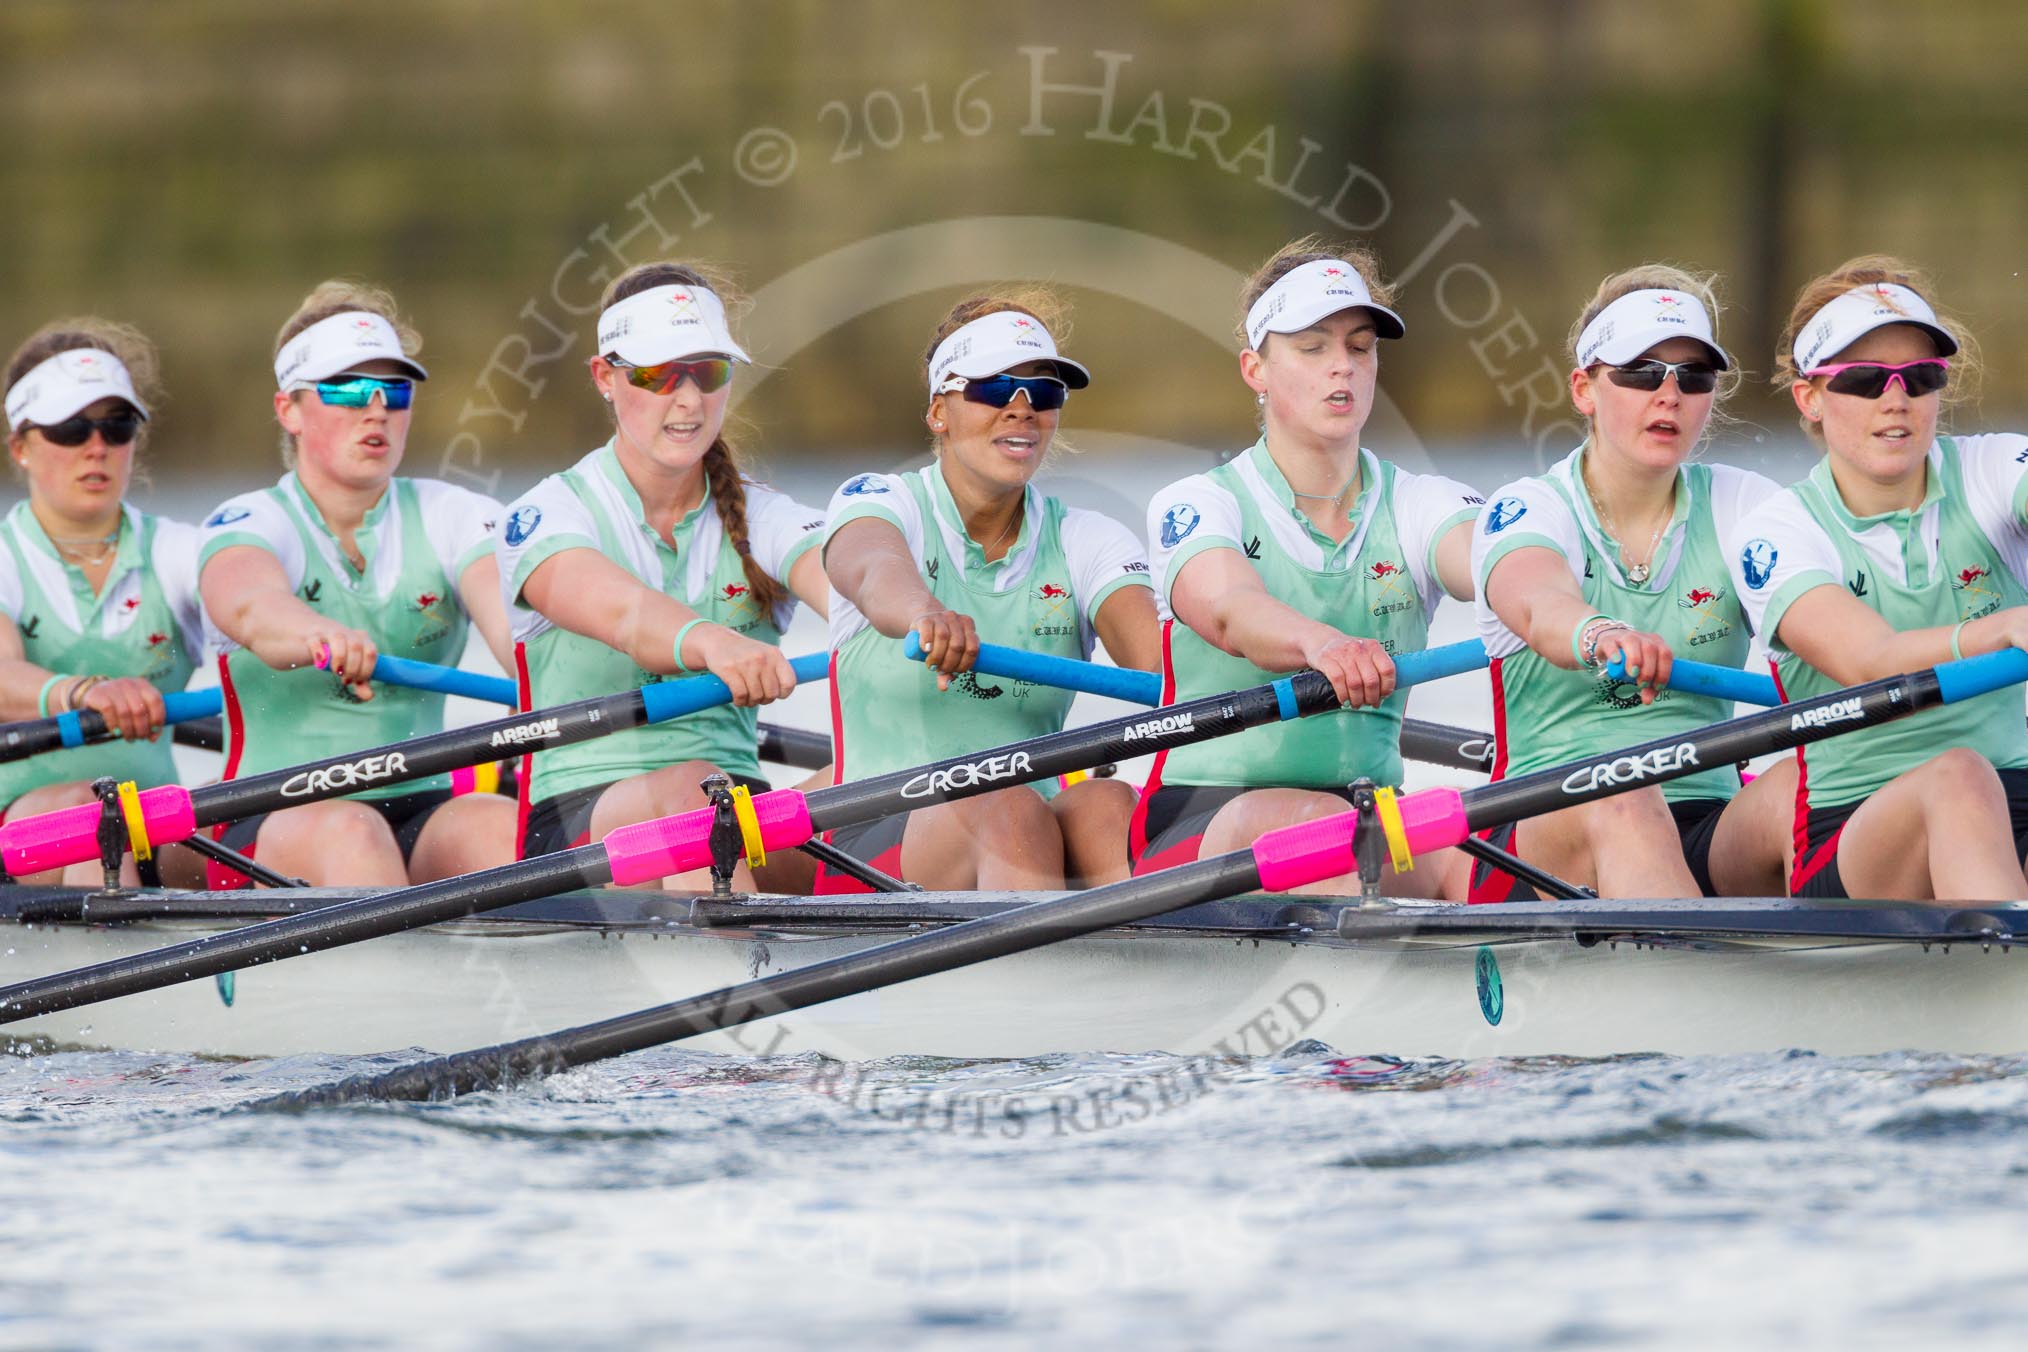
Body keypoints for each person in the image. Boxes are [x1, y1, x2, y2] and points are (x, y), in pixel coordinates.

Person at [1134, 240, 1479, 898]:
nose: (1342, 368)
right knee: (1345, 837)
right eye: (1312, 347)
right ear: (1255, 369)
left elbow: (1497, 566)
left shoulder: (1421, 502)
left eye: (1359, 346)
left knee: (1488, 862)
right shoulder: (1199, 503)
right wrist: (1322, 644)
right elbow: (1232, 609)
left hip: (1368, 811)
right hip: (1202, 819)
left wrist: (1562, 607)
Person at [497, 262, 826, 893]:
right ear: (605, 378)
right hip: (576, 829)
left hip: (737, 811)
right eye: (656, 374)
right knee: (691, 789)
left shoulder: (767, 515)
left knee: (895, 774)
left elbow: (849, 583)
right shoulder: (546, 515)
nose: (687, 398)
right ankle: (740, 981)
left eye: (707, 372)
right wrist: (715, 643)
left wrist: (906, 616)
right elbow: (622, 613)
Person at [1472, 268, 1794, 900]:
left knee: (1797, 791)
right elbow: (1538, 602)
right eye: (1642, 371)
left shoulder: (1746, 504)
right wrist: (1597, 631)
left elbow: (1822, 610)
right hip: (1543, 828)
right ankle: (1694, 987)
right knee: (1628, 802)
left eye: (1692, 376)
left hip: (1706, 818)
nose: (1669, 394)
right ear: (1584, 388)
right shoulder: (1530, 507)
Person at [822, 291, 1159, 892]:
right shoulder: (879, 501)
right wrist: (923, 612)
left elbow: (1167, 671)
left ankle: (1158, 975)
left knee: (1110, 804)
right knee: (1005, 808)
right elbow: (873, 571)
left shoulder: (1089, 539)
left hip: (1027, 828)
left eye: (1044, 393)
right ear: (938, 413)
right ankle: (1042, 978)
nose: (1022, 409)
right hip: (866, 838)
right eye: (994, 389)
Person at [1730, 256, 2028, 902]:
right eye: (1866, 380)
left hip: (2015, 798)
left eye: (1919, 377)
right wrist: (2005, 626)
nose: (1897, 399)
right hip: (1853, 833)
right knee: (1958, 778)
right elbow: (1874, 659)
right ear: (1810, 397)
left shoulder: (1994, 468)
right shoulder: (1776, 531)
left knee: (1974, 783)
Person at [198, 281, 514, 888]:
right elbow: (251, 605)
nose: (376, 408)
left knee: (503, 831)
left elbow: (510, 623)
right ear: (287, 408)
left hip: (423, 803)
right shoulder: (250, 521)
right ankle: (394, 978)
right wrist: (318, 633)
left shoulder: (453, 513)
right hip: (264, 810)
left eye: (394, 389)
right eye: (345, 387)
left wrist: (538, 664)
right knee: (352, 834)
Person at [0, 321, 204, 886]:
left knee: (260, 824)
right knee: (96, 818)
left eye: (117, 426)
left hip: (154, 820)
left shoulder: (180, 550)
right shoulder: (6, 560)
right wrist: (83, 693)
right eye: (71, 428)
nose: (97, 446)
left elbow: (248, 610)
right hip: (21, 826)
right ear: (20, 446)